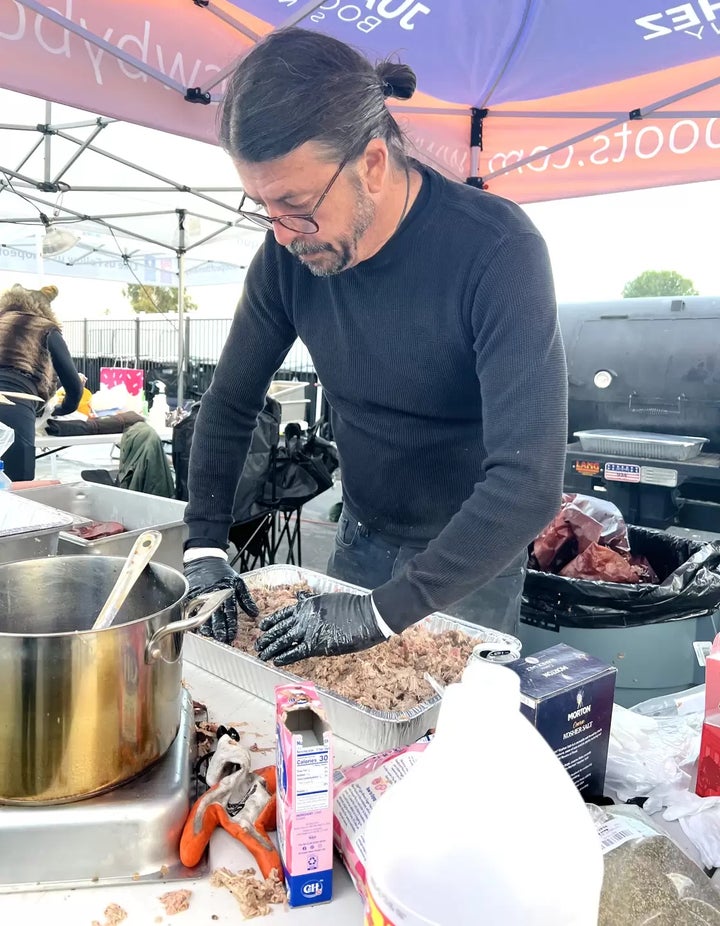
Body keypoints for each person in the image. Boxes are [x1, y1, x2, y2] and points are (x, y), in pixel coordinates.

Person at [183, 28, 568, 666]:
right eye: (263, 208)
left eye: (296, 205)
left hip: (468, 558)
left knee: (438, 747)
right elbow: (228, 408)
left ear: (372, 164)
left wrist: (382, 612)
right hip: (359, 532)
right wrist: (204, 547)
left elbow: (529, 481)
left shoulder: (497, 251)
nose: (281, 236)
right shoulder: (286, 260)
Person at [0, 283, 83, 481]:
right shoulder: (46, 330)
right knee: (16, 493)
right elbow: (73, 385)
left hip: (15, 404)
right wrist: (62, 409)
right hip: (16, 408)